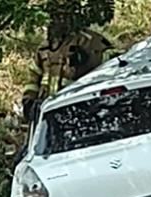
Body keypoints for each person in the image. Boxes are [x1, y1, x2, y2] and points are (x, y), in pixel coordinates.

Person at [15, 4, 113, 168]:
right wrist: (28, 100)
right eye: (53, 17)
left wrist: (87, 61)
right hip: (46, 112)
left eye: (61, 17)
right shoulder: (45, 47)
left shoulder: (88, 41)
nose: (55, 22)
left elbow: (115, 62)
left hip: (77, 110)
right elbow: (34, 76)